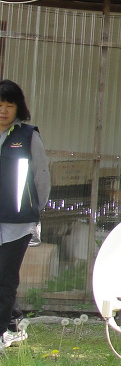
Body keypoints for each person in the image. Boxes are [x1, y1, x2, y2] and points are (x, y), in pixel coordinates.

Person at [0, 80, 50, 350]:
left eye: (9, 105)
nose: (3, 110)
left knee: (5, 277)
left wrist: (35, 211)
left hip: (18, 222)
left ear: (18, 107)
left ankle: (2, 333)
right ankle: (13, 321)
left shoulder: (28, 136)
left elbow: (41, 176)